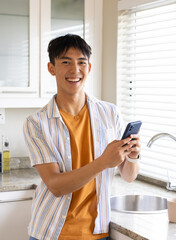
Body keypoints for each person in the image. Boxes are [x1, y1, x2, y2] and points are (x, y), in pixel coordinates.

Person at [23, 34, 141, 240]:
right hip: (53, 233)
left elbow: (129, 176)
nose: (75, 70)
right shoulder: (36, 123)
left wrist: (132, 156)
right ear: (52, 68)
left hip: (98, 233)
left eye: (81, 62)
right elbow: (56, 186)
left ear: (89, 68)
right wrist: (104, 162)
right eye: (66, 62)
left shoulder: (110, 114)